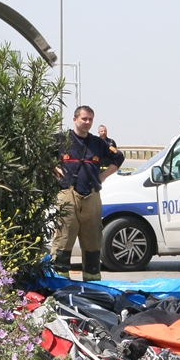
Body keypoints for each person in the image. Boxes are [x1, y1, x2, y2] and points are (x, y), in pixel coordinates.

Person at [51, 106, 124, 281]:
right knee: (63, 238)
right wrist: (53, 168)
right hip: (68, 195)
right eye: (84, 119)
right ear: (75, 119)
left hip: (91, 196)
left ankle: (92, 283)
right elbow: (41, 153)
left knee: (92, 240)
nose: (87, 122)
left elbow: (118, 157)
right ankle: (59, 282)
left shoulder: (98, 143)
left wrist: (104, 176)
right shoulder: (61, 140)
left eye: (90, 119)